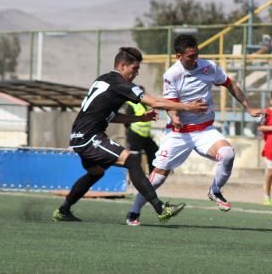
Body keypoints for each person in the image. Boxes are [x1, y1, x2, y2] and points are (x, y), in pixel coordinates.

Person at [52, 47, 209, 223]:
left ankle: (63, 211)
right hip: (89, 137)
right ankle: (160, 209)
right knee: (132, 161)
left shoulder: (103, 80)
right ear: (122, 66)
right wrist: (188, 107)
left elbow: (110, 116)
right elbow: (155, 102)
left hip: (78, 136)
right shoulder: (121, 84)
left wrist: (140, 117)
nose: (136, 74)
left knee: (96, 173)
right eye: (135, 68)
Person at [126, 34, 267, 226]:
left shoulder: (209, 67)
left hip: (204, 130)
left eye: (197, 54)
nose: (195, 60)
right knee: (158, 177)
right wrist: (175, 118)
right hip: (179, 134)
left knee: (227, 153)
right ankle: (134, 212)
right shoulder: (172, 74)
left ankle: (215, 190)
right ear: (178, 56)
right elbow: (171, 104)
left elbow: (230, 84)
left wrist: (248, 107)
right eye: (190, 56)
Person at [124, 86, 159, 174]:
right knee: (136, 156)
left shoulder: (144, 105)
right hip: (135, 135)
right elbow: (126, 120)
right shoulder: (131, 104)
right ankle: (135, 176)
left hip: (145, 136)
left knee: (154, 151)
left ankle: (152, 174)